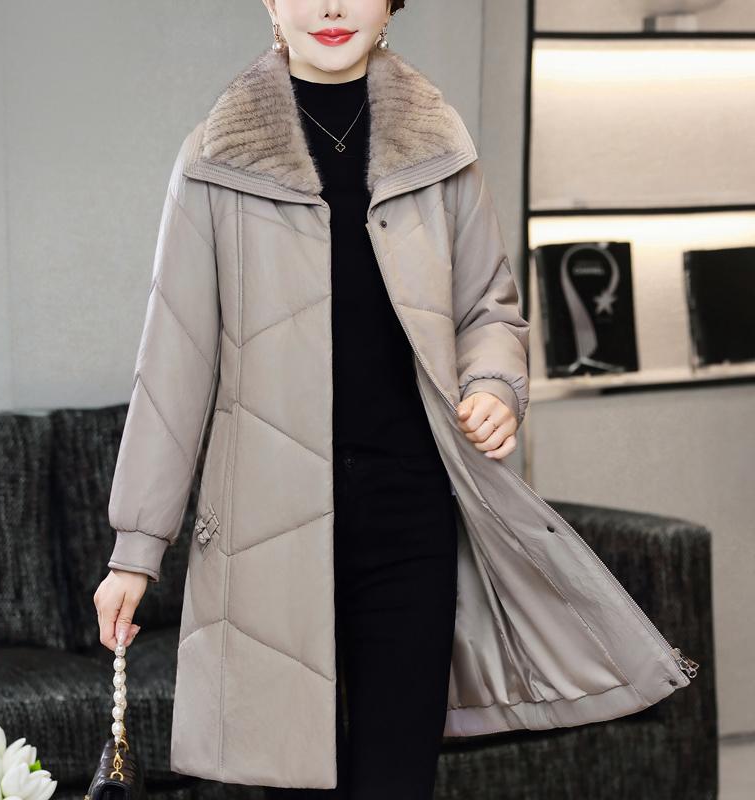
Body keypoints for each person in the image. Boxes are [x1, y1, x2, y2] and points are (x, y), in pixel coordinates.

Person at [93, 1, 527, 797]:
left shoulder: (440, 147)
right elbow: (173, 365)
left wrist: (494, 383)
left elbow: (487, 311)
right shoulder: (215, 159)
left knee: (398, 780)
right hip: (266, 528)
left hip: (411, 514)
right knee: (293, 784)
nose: (330, 6)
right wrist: (135, 550)